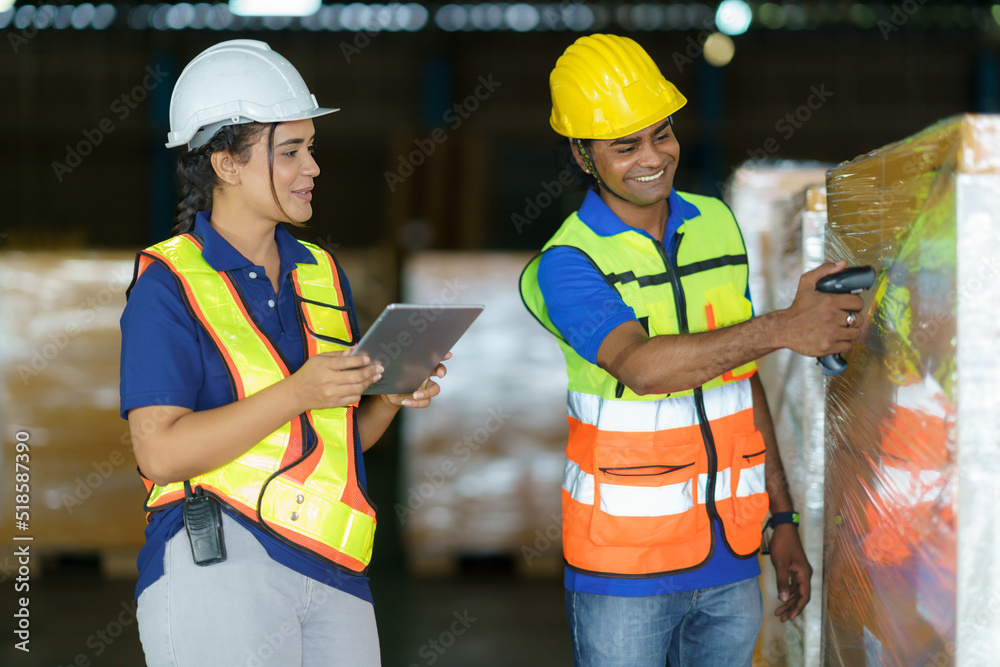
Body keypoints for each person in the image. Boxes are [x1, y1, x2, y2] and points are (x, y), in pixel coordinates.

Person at [519, 34, 864, 666]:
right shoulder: (566, 264)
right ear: (582, 154)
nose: (652, 157)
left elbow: (742, 380)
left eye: (662, 134)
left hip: (730, 559)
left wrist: (780, 521)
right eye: (625, 146)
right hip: (622, 572)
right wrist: (785, 325)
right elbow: (643, 368)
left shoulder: (716, 224)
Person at [120, 40, 446, 666]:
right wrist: (299, 390)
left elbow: (330, 439)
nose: (313, 167)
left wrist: (388, 400)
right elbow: (159, 452)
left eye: (310, 148)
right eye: (290, 151)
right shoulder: (168, 285)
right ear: (227, 164)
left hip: (333, 564)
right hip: (217, 558)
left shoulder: (319, 273)